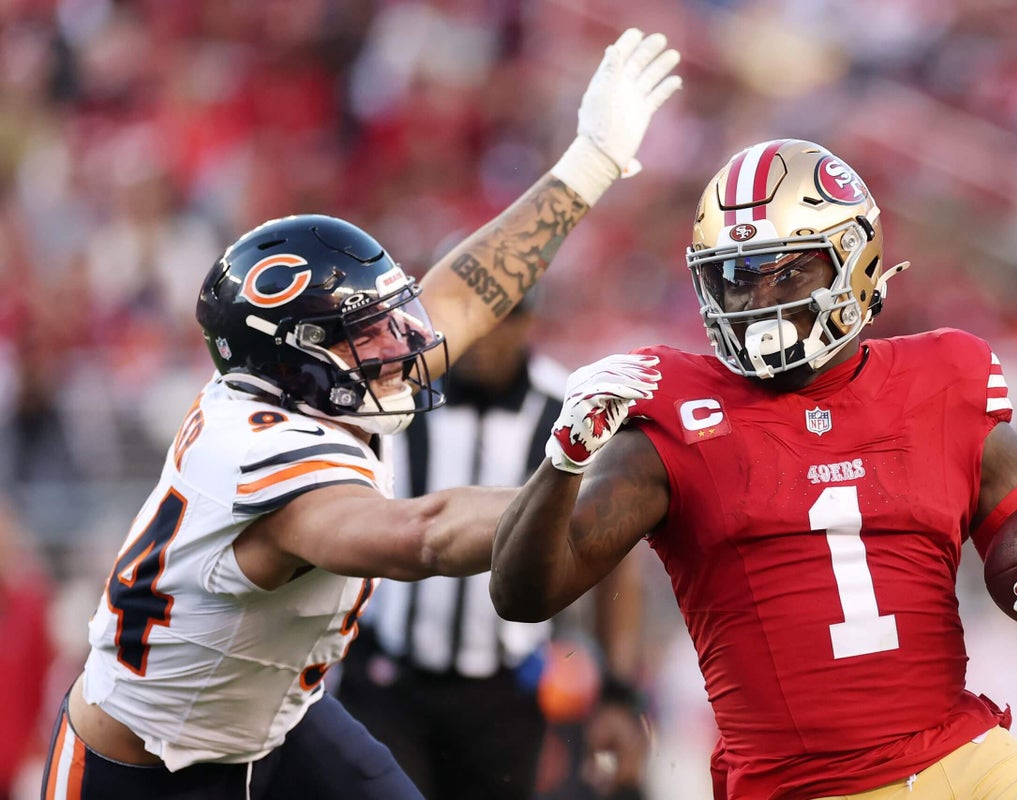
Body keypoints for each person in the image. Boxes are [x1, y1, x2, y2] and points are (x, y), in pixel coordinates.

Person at [40, 27, 681, 800]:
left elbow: (463, 296)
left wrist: (591, 161)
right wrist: (604, 485)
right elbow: (424, 534)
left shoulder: (306, 386)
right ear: (300, 356)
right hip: (146, 770)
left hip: (275, 725)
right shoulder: (261, 456)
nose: (404, 339)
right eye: (367, 331)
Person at [490, 139, 1017, 799]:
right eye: (737, 276)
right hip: (805, 787)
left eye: (787, 272)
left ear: (855, 261)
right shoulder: (674, 408)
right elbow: (524, 595)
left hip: (967, 760)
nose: (757, 301)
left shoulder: (945, 379)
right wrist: (563, 460)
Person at [335, 292, 649, 800]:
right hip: (385, 676)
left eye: (499, 317)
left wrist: (617, 692)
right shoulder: (393, 393)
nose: (481, 332)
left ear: (528, 322)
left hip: (504, 692)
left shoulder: (568, 408)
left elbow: (613, 552)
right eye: (469, 314)